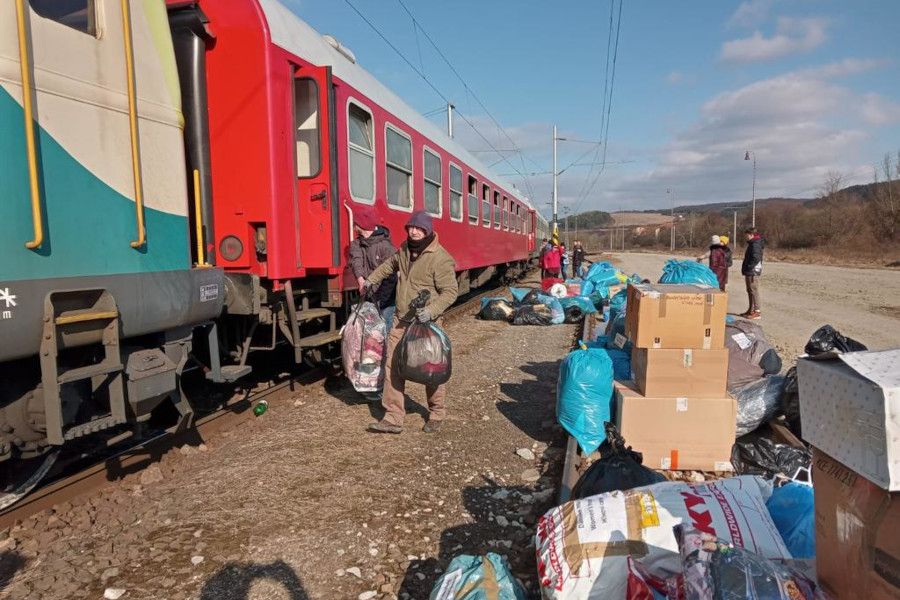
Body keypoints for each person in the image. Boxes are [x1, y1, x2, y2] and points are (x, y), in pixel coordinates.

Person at [364, 211, 459, 434]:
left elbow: (450, 292)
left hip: (427, 323)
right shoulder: (405, 250)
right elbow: (389, 265)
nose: (414, 231)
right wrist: (371, 279)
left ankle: (436, 413)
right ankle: (393, 417)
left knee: (430, 369)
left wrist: (432, 310)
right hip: (401, 319)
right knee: (392, 366)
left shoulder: (440, 258)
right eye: (410, 228)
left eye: (419, 228)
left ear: (428, 230)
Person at [348, 205, 397, 324]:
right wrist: (360, 281)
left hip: (385, 298)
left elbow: (391, 277)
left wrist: (381, 301)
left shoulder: (386, 247)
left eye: (356, 222)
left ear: (362, 224)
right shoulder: (357, 244)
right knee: (371, 333)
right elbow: (356, 260)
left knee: (385, 329)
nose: (353, 225)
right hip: (368, 294)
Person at [741, 227, 765, 319]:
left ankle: (757, 311)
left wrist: (749, 267)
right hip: (750, 271)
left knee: (754, 290)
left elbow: (756, 258)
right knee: (750, 290)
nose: (745, 237)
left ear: (751, 235)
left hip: (753, 271)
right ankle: (750, 310)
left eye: (746, 235)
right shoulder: (752, 244)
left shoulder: (756, 244)